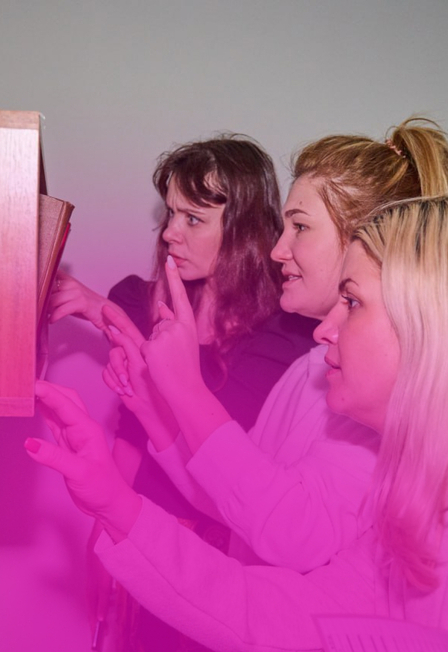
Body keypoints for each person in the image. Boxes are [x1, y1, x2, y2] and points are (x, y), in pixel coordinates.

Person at [26, 196, 448, 649]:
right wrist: (114, 498)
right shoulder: (415, 502)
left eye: (353, 301)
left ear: (427, 322)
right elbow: (287, 614)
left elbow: (285, 528)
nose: (326, 329)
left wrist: (184, 390)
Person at [103, 117, 448, 572]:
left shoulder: (379, 389)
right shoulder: (309, 366)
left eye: (300, 227)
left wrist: (186, 387)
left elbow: (294, 531)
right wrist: (150, 406)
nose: (277, 250)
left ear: (362, 236)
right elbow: (234, 498)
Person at [49, 134, 318, 650]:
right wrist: (106, 527)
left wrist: (110, 319)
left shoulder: (284, 338)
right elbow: (131, 433)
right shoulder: (142, 304)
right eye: (170, 213)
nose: (171, 232)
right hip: (142, 535)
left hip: (221, 564)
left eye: (193, 219)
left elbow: (230, 459)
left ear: (243, 229)